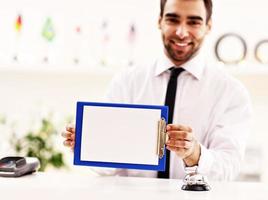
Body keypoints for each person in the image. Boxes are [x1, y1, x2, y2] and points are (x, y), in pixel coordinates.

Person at [62, 0, 252, 181]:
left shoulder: (231, 92)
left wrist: (194, 153)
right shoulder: (127, 81)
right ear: (159, 21)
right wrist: (87, 145)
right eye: (173, 19)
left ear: (208, 26)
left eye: (193, 22)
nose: (181, 32)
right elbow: (109, 168)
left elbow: (229, 168)